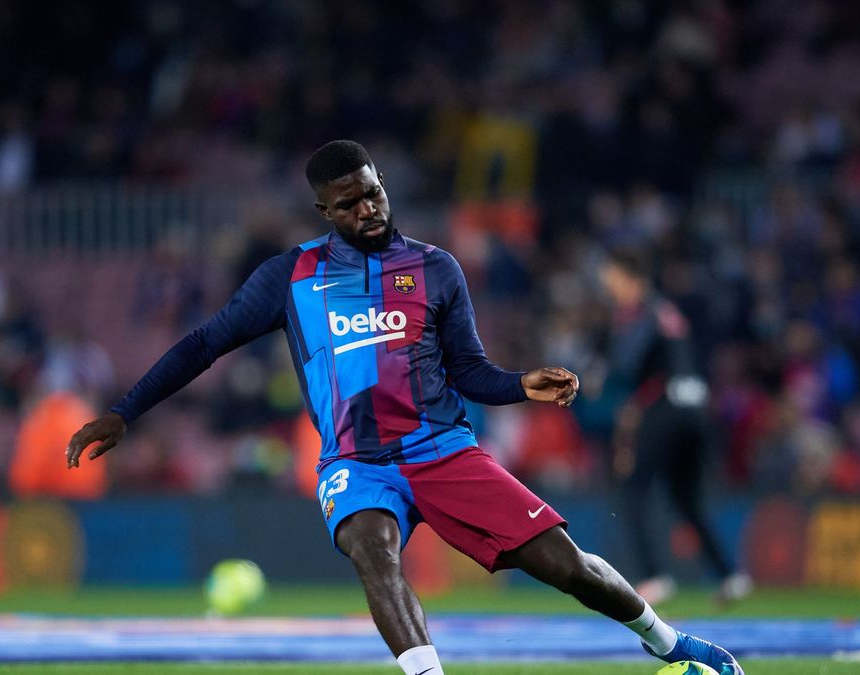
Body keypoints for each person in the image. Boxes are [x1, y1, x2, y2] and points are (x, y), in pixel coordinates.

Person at [67, 140, 744, 675]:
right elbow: (204, 343)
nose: (369, 208)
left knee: (566, 565)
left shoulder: (434, 268)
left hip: (442, 448)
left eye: (374, 191)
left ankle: (666, 639)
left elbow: (470, 370)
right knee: (372, 545)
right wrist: (125, 411)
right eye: (350, 202)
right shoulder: (290, 278)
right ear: (324, 212)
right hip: (356, 461)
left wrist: (518, 385)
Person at [597, 247, 752, 606]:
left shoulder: (637, 313)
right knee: (687, 498)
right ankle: (731, 575)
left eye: (613, 279)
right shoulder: (668, 311)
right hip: (696, 405)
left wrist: (601, 371)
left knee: (633, 489)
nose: (610, 287)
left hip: (662, 404)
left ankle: (654, 576)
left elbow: (626, 362)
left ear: (629, 278)